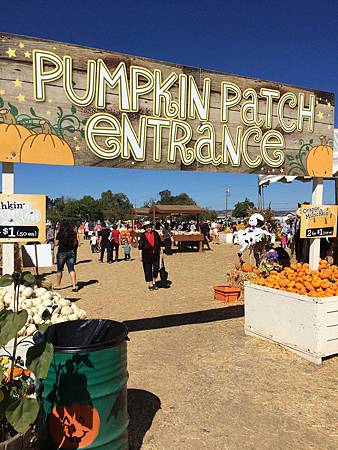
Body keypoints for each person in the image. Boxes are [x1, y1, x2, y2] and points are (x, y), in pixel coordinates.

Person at [54, 221, 78, 292]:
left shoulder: (60, 233)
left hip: (62, 252)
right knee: (71, 269)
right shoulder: (72, 233)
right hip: (71, 252)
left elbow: (56, 244)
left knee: (59, 269)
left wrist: (56, 235)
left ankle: (58, 285)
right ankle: (74, 286)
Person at [138, 221, 163, 290]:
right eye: (147, 227)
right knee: (147, 269)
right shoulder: (143, 235)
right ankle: (150, 284)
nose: (148, 228)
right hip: (146, 255)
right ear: (145, 228)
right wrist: (140, 255)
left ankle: (154, 282)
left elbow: (160, 242)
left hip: (155, 254)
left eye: (149, 227)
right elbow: (140, 246)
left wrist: (161, 251)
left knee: (156, 268)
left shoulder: (156, 233)